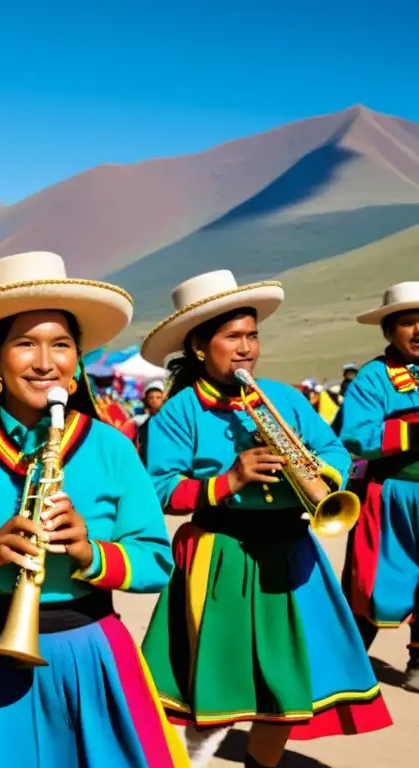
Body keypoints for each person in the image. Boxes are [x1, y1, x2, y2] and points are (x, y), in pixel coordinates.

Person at [0, 251, 186, 768]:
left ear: (78, 358)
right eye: (25, 344)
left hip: (86, 654)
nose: (46, 362)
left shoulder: (112, 447)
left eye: (62, 345)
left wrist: (92, 553)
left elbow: (156, 561)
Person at [139, 270, 391, 768]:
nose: (246, 348)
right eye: (232, 337)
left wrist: (317, 472)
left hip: (293, 554)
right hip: (221, 556)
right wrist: (227, 481)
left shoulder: (285, 397)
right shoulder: (179, 412)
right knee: (214, 684)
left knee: (285, 687)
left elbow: (335, 450)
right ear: (197, 345)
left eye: (252, 335)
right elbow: (157, 489)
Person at [338, 282, 419, 691]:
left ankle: (418, 660)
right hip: (390, 495)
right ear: (390, 331)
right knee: (369, 584)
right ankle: (344, 658)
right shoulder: (374, 377)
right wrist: (411, 430)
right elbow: (355, 436)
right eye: (408, 322)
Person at [136, 379, 166, 464]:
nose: (154, 400)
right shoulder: (142, 422)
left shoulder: (168, 421)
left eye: (158, 397)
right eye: (151, 397)